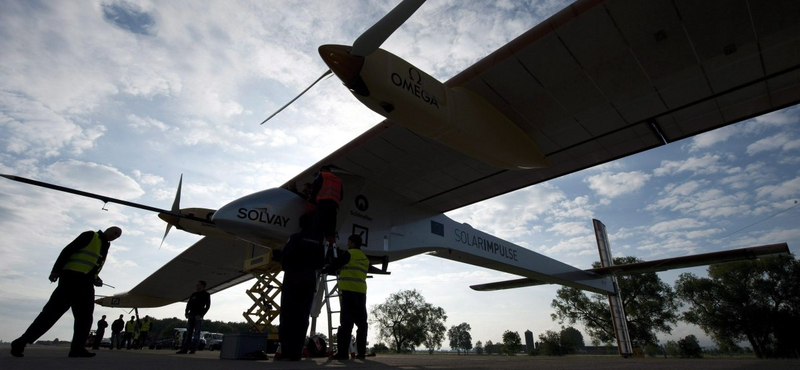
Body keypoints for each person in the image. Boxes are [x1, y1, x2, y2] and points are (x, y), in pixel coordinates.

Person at [10, 226, 122, 358]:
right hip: (71, 279)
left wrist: (96, 279)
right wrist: (56, 270)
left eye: (117, 236)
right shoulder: (90, 236)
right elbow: (67, 251)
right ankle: (21, 342)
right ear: (107, 229)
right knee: (50, 314)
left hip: (86, 284)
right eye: (114, 232)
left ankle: (77, 349)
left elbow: (92, 266)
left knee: (85, 319)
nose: (115, 236)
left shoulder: (105, 246)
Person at [276, 214, 325, 361]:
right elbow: (320, 263)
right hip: (309, 280)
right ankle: (296, 352)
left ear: (300, 224)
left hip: (293, 279)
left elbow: (285, 258)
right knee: (302, 316)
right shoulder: (318, 241)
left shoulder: (295, 237)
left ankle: (286, 351)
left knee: (287, 315)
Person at [325, 234, 368, 360]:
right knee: (362, 324)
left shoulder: (349, 254)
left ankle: (343, 353)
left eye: (349, 242)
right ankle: (361, 353)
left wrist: (324, 269)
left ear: (353, 243)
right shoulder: (364, 258)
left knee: (346, 324)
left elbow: (336, 264)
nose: (348, 244)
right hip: (361, 293)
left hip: (349, 292)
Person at [309, 166, 343, 243]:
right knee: (331, 221)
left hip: (323, 201)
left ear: (322, 170)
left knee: (318, 221)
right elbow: (341, 195)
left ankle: (315, 237)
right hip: (334, 204)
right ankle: (330, 237)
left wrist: (311, 198)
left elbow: (315, 187)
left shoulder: (322, 175)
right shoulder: (338, 179)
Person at [176, 280, 211, 354]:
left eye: (198, 284)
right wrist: (186, 312)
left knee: (196, 333)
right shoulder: (194, 294)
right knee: (188, 333)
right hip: (191, 314)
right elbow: (189, 303)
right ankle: (184, 349)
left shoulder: (206, 295)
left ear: (202, 286)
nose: (196, 286)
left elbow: (207, 306)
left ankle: (193, 349)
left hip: (198, 316)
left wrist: (201, 315)